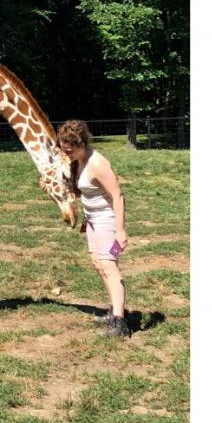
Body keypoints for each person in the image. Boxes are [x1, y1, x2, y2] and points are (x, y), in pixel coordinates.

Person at [56, 120, 130, 337]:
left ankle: (120, 323)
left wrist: (120, 230)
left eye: (70, 149)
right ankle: (115, 311)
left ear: (82, 144)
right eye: (63, 148)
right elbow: (83, 189)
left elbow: (117, 195)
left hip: (107, 220)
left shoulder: (97, 163)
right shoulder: (77, 161)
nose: (66, 152)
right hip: (92, 221)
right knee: (99, 264)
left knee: (109, 267)